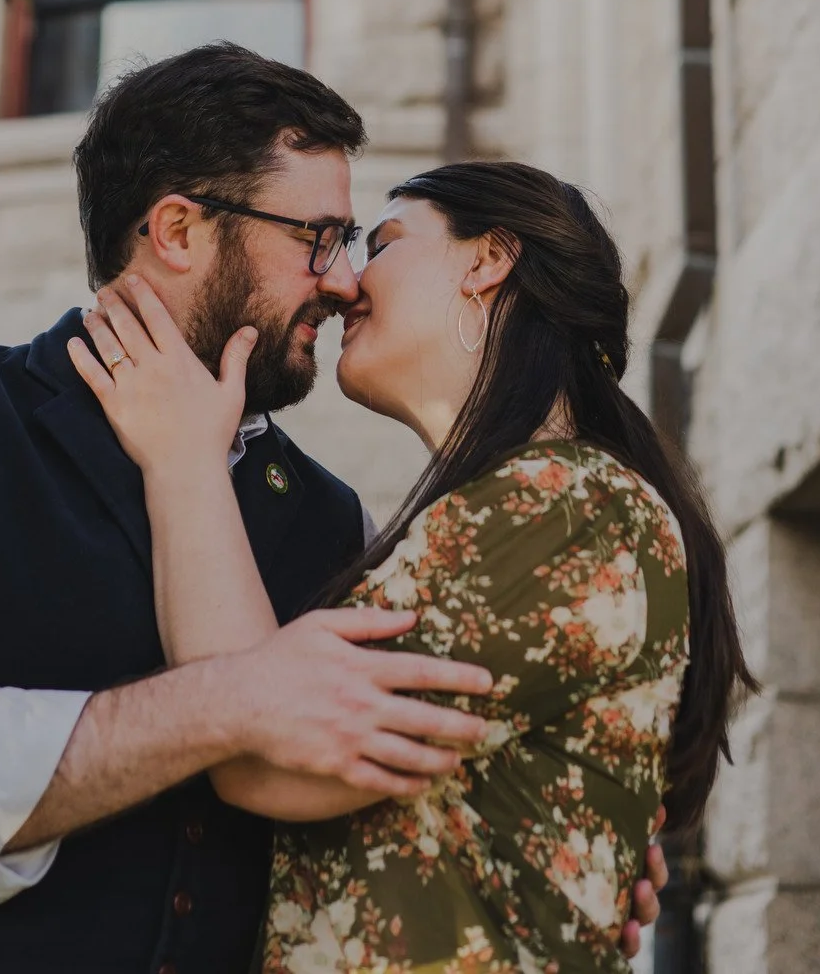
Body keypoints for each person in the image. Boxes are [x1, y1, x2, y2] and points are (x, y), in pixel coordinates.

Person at [0, 46, 666, 974]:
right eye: (316, 237)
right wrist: (216, 707)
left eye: (356, 243)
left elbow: (365, 791)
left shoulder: (335, 521)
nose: (343, 279)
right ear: (180, 230)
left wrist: (538, 823)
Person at [74, 156, 754, 972]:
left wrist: (183, 460)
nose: (347, 282)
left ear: (488, 260)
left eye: (382, 243)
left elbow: (268, 757)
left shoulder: (563, 508)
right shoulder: (522, 508)